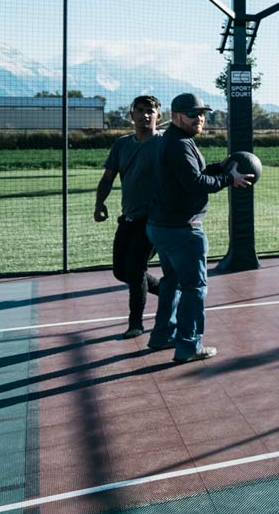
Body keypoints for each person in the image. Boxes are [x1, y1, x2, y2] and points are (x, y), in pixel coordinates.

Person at [145, 92, 250, 364]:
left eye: (202, 113)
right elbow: (195, 183)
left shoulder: (174, 140)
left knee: (173, 282)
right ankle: (189, 345)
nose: (200, 118)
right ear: (177, 116)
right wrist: (229, 178)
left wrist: (221, 166)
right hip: (182, 230)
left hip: (163, 227)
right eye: (193, 114)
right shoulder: (179, 144)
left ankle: (162, 336)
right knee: (194, 287)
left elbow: (193, 173)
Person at [94, 94, 164, 339]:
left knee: (135, 269)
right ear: (131, 115)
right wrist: (99, 203)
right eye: (141, 110)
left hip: (155, 219)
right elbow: (108, 177)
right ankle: (166, 290)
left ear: (159, 116)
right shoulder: (122, 145)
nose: (145, 115)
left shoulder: (165, 144)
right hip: (129, 218)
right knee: (120, 271)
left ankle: (136, 323)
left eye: (150, 111)